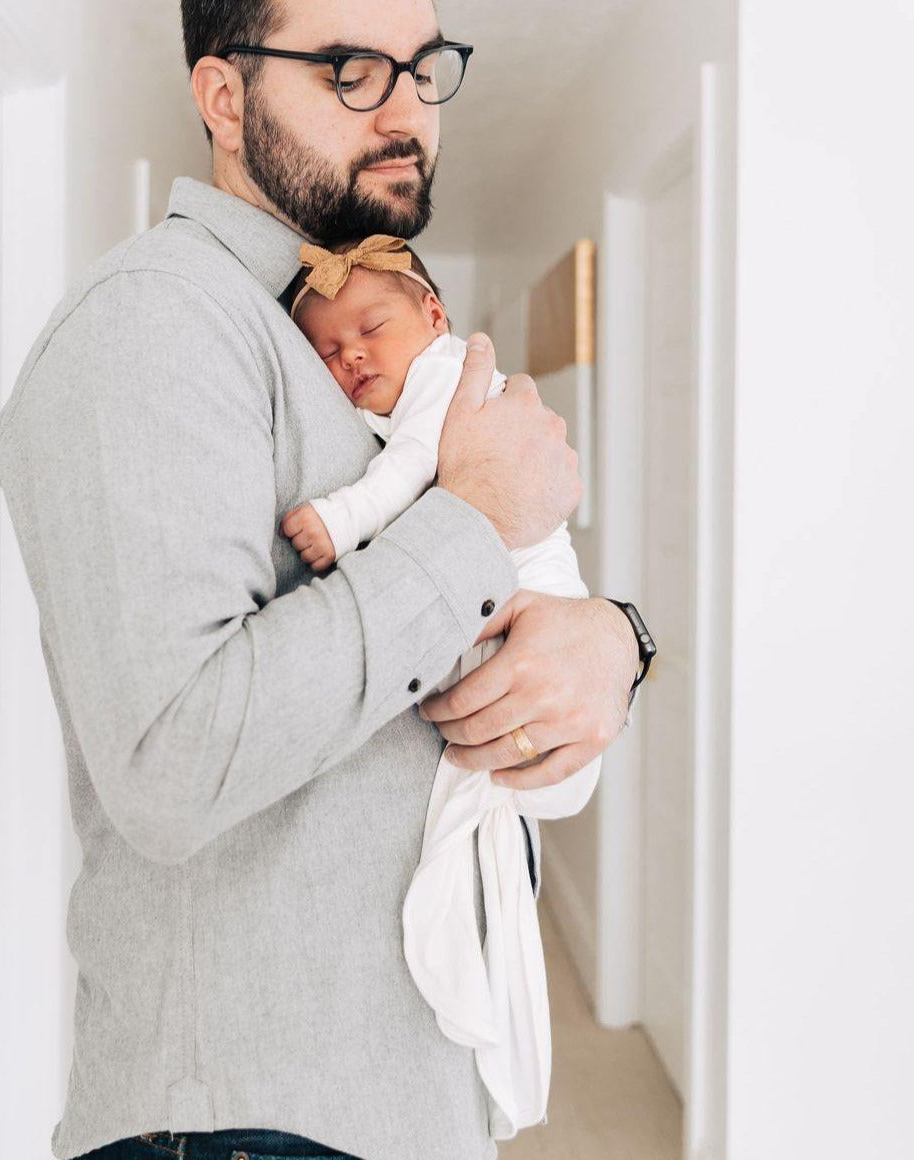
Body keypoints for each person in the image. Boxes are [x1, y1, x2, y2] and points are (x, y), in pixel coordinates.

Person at [0, 2, 647, 1158]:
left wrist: (612, 638)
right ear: (224, 99)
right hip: (254, 1120)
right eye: (350, 70)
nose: (407, 111)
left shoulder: (343, 331)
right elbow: (169, 760)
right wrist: (474, 520)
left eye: (420, 67)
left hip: (397, 1092)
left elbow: (468, 607)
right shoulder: (155, 323)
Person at [281, 234, 602, 1135]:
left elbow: (420, 465)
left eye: (371, 329)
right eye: (329, 351)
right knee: (499, 757)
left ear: (434, 315)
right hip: (495, 599)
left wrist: (339, 522)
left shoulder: (449, 381)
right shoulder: (398, 389)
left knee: (531, 747)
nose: (351, 357)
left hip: (530, 588)